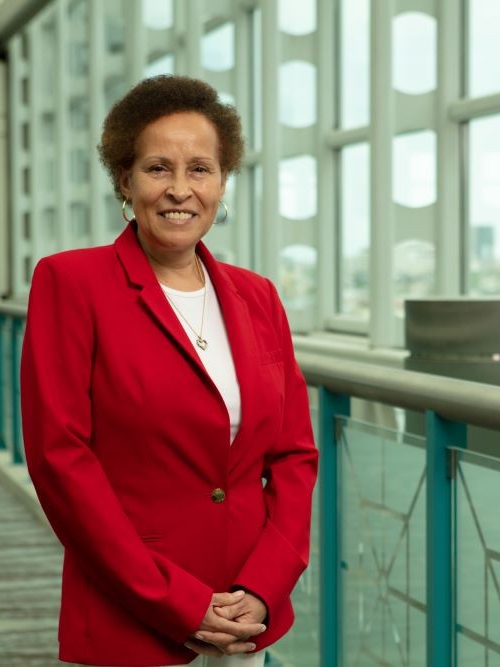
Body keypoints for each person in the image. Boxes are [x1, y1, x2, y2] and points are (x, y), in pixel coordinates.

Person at [20, 75, 318, 666]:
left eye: (200, 169)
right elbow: (61, 461)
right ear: (124, 181)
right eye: (158, 168)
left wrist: (263, 587)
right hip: (133, 615)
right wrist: (173, 602)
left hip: (242, 617)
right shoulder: (70, 284)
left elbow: (293, 456)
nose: (180, 190)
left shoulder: (258, 297)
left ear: (222, 182)